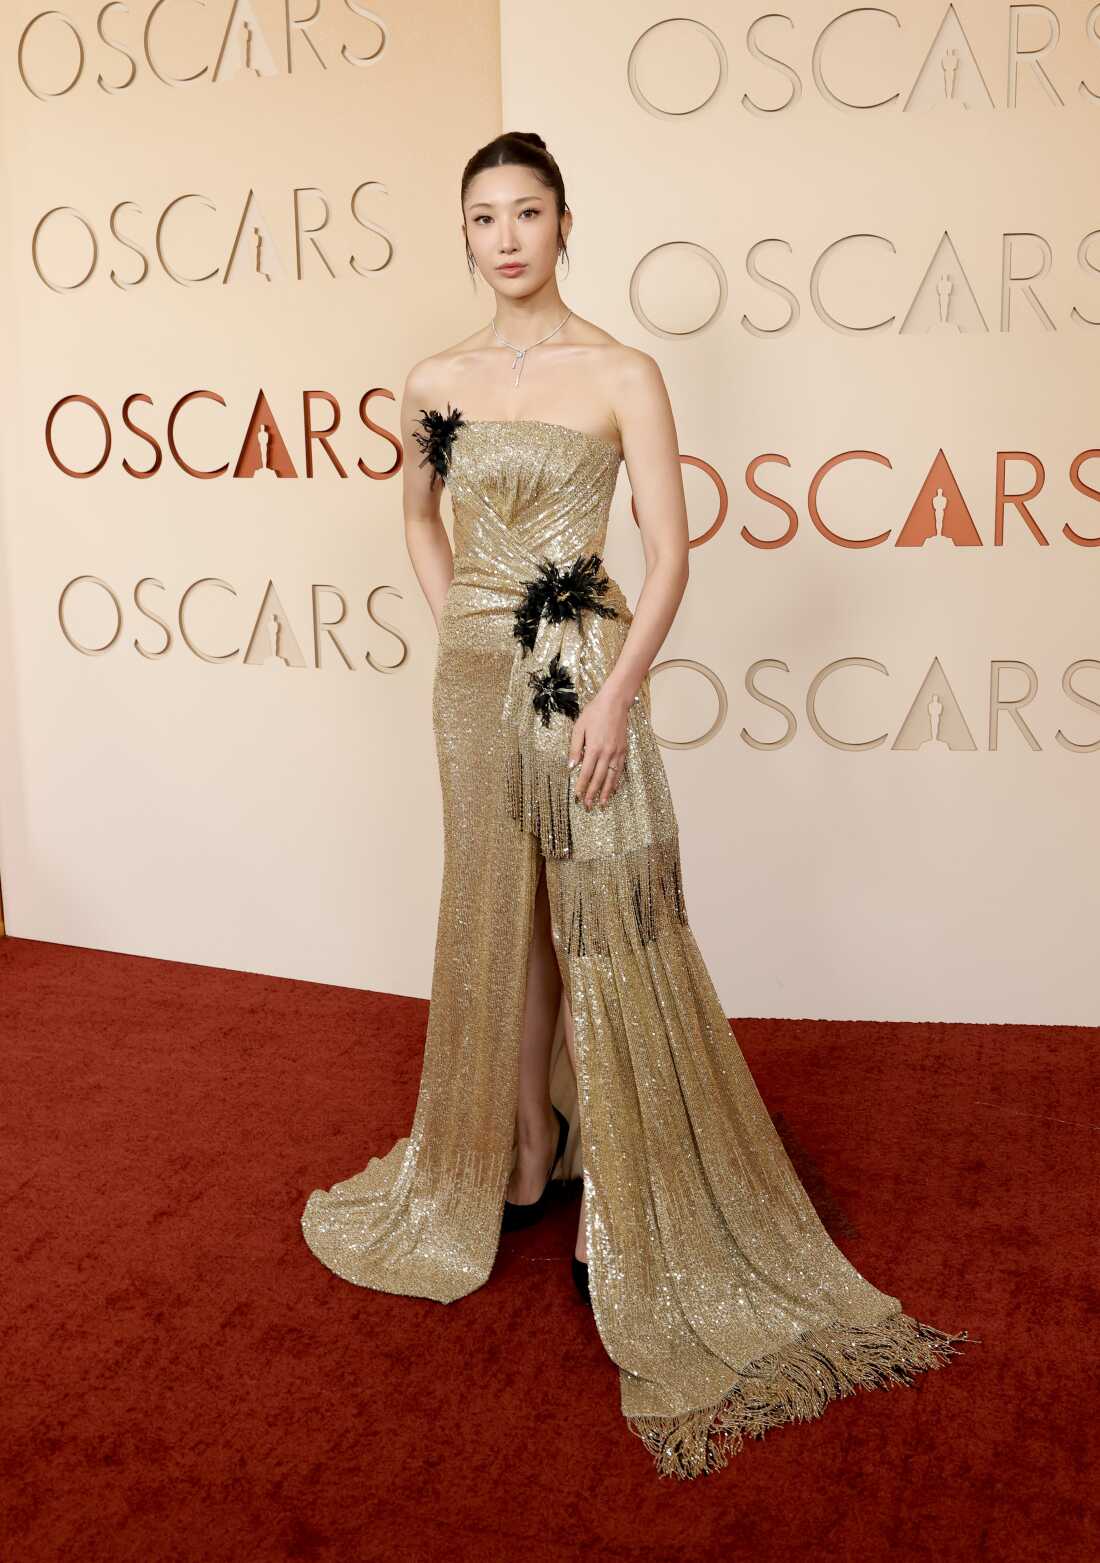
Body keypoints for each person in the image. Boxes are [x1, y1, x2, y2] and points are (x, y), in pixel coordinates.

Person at [300, 130, 970, 1480]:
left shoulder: (623, 374)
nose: (504, 237)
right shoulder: (433, 380)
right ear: (466, 230)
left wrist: (612, 698)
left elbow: (670, 553)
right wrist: (465, 632)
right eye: (482, 214)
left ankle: (620, 1179)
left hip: (585, 675)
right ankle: (522, 1149)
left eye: (527, 212)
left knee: (603, 907)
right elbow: (419, 522)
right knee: (502, 904)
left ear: (564, 222)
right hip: (473, 685)